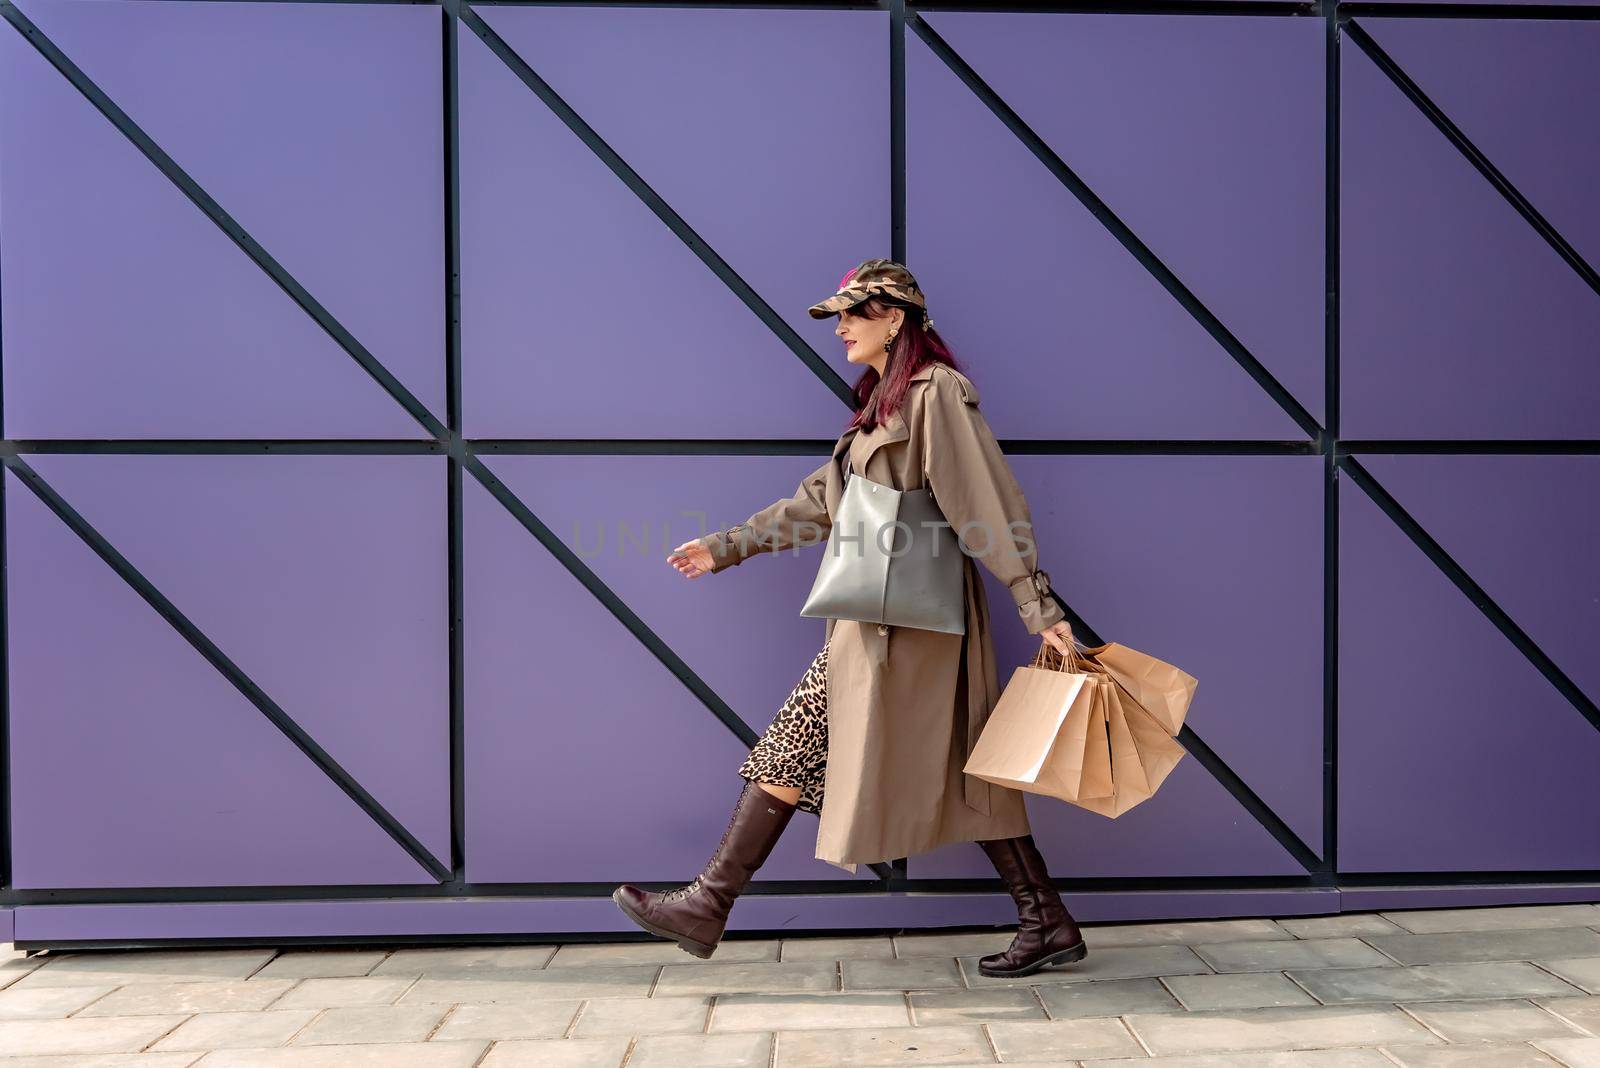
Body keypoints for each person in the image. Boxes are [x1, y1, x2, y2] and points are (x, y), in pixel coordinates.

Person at [612, 259, 1088, 978]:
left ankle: (709, 902)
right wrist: (727, 546)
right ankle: (1045, 918)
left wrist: (1037, 604)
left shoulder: (937, 396)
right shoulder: (884, 406)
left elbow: (988, 504)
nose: (839, 330)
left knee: (824, 743)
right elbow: (820, 502)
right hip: (875, 620)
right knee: (952, 762)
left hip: (916, 627)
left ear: (893, 317)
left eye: (851, 315)